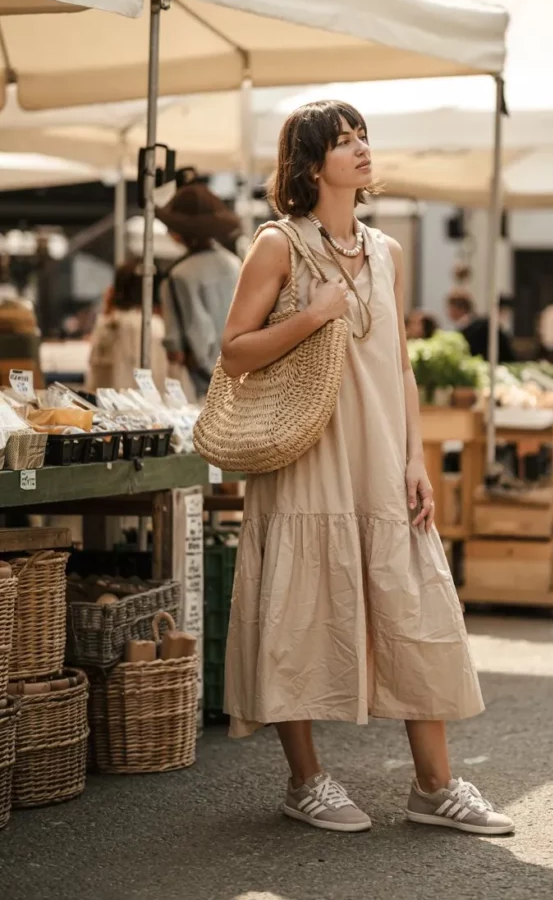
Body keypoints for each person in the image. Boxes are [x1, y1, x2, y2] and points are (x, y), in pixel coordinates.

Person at [220, 100, 513, 836]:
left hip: (382, 457)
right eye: (342, 141)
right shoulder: (278, 244)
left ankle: (434, 786)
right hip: (304, 456)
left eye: (363, 137)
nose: (360, 149)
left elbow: (399, 366)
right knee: (294, 611)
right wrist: (312, 315)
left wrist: (415, 457)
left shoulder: (387, 251)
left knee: (412, 607)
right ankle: (306, 781)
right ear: (309, 164)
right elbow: (234, 352)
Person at [157, 181, 242, 399]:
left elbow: (178, 345)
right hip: (241, 370)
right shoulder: (234, 263)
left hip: (203, 380)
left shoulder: (179, 275)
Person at [86, 262, 167, 392]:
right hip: (143, 401)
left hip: (108, 401)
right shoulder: (155, 327)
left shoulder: (106, 323)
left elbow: (95, 376)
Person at [446, 290, 515, 362]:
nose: (448, 312)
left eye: (450, 308)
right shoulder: (476, 325)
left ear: (460, 308)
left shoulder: (481, 325)